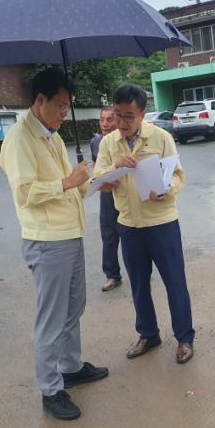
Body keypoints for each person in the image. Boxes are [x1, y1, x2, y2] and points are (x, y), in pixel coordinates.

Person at [0, 68, 108, 421]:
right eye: (60, 105)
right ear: (39, 100)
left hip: (70, 234)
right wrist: (67, 182)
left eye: (67, 106)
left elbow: (73, 186)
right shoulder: (20, 139)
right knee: (51, 318)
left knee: (74, 307)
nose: (64, 112)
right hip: (46, 242)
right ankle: (50, 389)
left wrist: (94, 180)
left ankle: (71, 367)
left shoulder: (54, 138)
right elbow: (25, 193)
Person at [93, 84, 195, 364]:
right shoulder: (108, 143)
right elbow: (98, 177)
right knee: (138, 285)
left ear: (142, 114)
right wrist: (113, 170)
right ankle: (148, 335)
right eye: (118, 115)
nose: (122, 122)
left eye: (128, 116)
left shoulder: (160, 137)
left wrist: (166, 189)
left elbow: (178, 175)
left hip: (161, 222)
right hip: (128, 224)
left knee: (175, 282)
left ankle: (185, 338)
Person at [89, 106, 123, 292]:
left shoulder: (125, 139)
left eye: (110, 119)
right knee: (108, 235)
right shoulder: (96, 142)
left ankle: (140, 271)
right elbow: (96, 168)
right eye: (102, 119)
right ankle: (112, 275)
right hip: (108, 195)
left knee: (133, 233)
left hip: (127, 193)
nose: (105, 124)